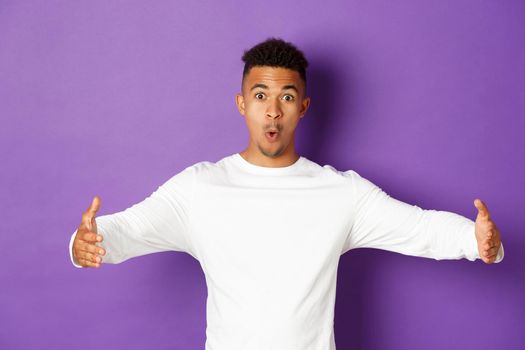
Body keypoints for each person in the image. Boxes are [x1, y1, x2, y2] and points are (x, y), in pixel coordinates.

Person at [69, 37, 504, 350]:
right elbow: (129, 229)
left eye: (286, 96)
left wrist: (475, 240)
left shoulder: (341, 193)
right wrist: (86, 242)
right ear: (242, 103)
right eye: (260, 95)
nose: (273, 110)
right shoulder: (199, 188)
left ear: (304, 107)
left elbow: (419, 227)